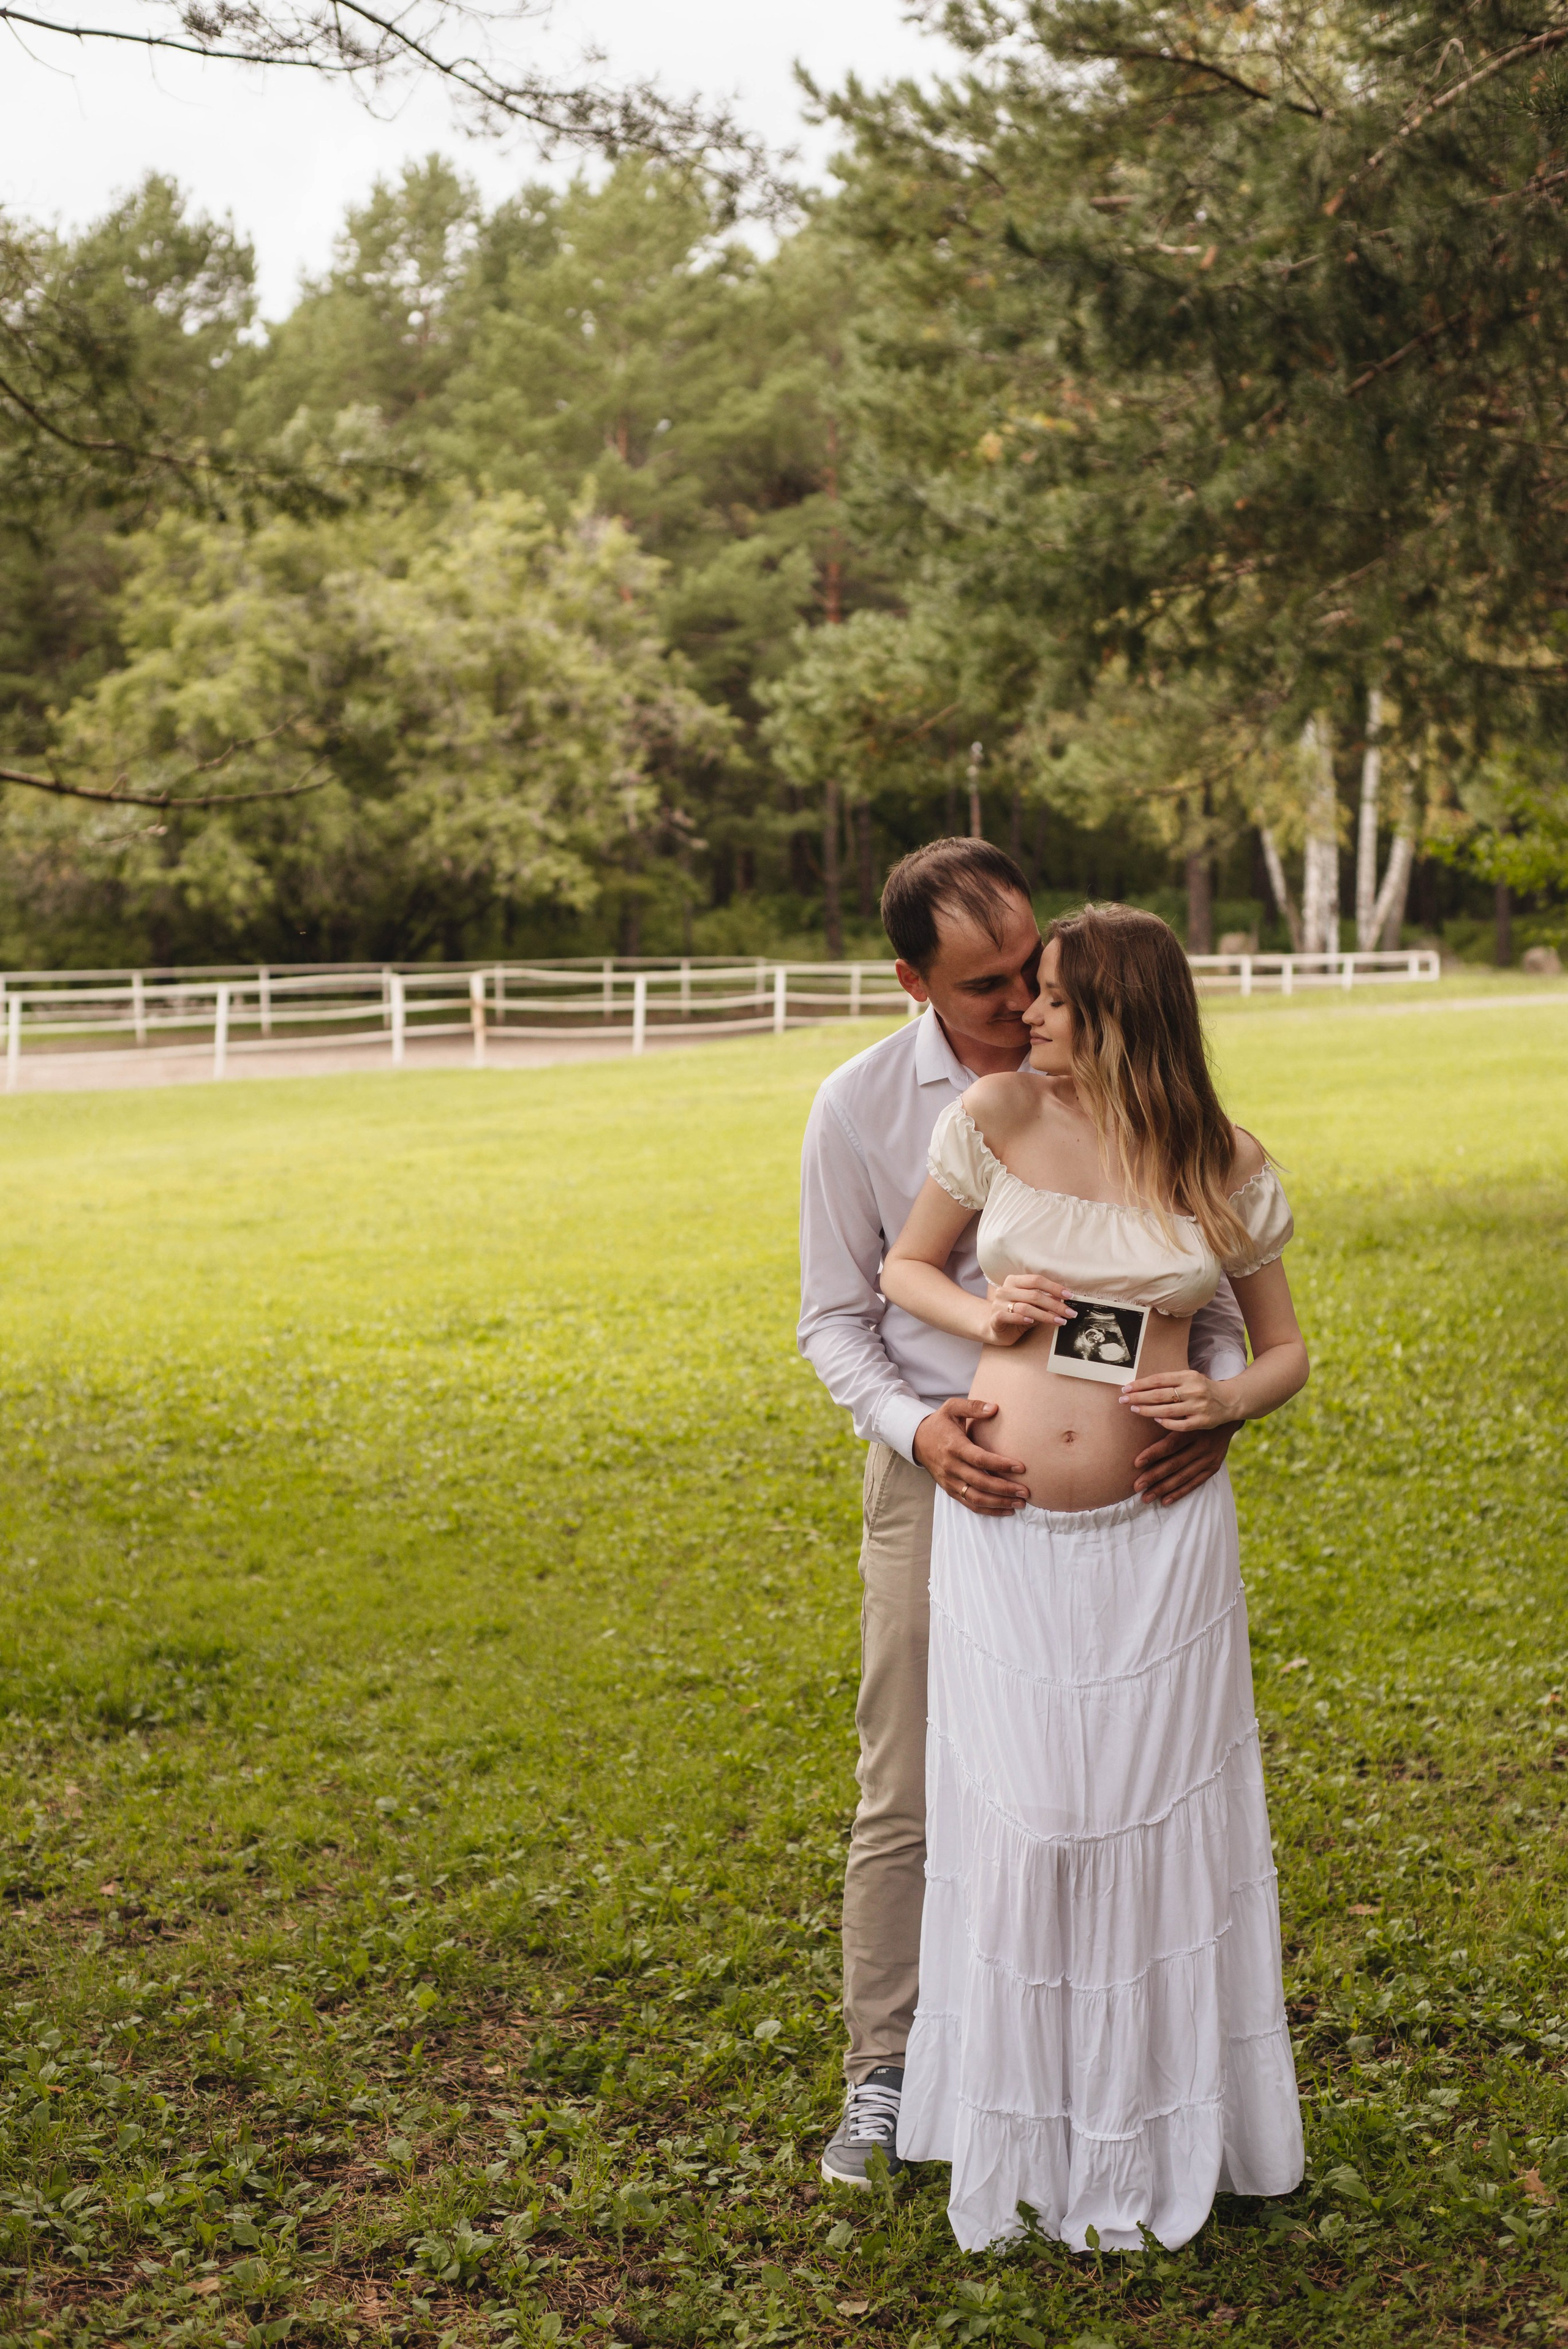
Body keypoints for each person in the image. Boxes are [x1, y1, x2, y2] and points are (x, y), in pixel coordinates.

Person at [797, 841, 1250, 2192]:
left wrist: (1209, 1414)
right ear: (911, 981)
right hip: (942, 1465)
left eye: (1032, 967)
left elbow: (1211, 1308)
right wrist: (922, 1431)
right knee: (917, 1777)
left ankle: (1079, 2064)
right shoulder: (867, 1107)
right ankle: (887, 2068)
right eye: (986, 983)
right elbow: (839, 1313)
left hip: (1131, 1507)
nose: (1021, 1001)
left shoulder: (1125, 1091)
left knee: (1106, 1781)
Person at [878, 901, 1308, 2252]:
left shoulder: (1217, 1158)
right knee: (1028, 1820)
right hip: (1001, 1531)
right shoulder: (997, 1118)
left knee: (1142, 1817)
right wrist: (980, 1311)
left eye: (1055, 996)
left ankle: (1154, 2123)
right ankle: (1018, 2119)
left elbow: (1287, 1348)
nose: (1029, 1015)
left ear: (1120, 1008)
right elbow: (902, 1268)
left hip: (1160, 1537)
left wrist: (1224, 1400)